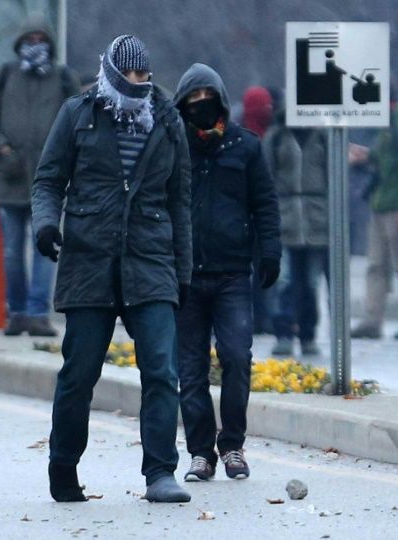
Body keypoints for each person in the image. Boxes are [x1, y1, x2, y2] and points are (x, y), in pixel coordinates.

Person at [32, 35, 192, 503]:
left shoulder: (166, 119)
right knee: (79, 373)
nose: (141, 84)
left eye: (146, 75)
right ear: (114, 73)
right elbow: (48, 179)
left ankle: (161, 472)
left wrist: (181, 272)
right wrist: (45, 224)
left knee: (162, 372)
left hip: (151, 260)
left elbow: (179, 200)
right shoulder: (77, 113)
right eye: (133, 76)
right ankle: (63, 466)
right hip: (88, 259)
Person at [173, 65, 281, 482]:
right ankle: (201, 452)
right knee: (190, 369)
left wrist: (270, 250)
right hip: (186, 274)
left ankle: (232, 444)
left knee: (237, 358)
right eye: (192, 101)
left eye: (207, 99)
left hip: (234, 273)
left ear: (220, 100)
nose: (201, 107)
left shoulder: (245, 146)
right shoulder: (174, 146)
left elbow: (265, 204)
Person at [0, 17, 80, 336]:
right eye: (30, 38)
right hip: (9, 178)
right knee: (11, 252)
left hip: (48, 183)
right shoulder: (4, 75)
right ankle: (17, 311)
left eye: (41, 38)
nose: (36, 44)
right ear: (21, 41)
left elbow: (80, 117)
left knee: (45, 249)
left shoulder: (63, 78)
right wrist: (3, 149)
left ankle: (38, 313)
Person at [351, 93, 398, 340]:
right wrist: (368, 156)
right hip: (381, 202)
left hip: (397, 206)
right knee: (376, 265)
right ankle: (373, 319)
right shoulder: (386, 122)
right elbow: (388, 159)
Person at [264, 110, 329, 357]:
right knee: (284, 282)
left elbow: (334, 180)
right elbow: (267, 178)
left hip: (317, 220)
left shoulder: (323, 137)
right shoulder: (277, 137)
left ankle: (308, 335)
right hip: (285, 218)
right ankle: (283, 334)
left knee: (311, 283)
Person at [242, 86, 278, 335]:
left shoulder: (275, 136)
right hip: (243, 215)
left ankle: (264, 317)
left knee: (263, 270)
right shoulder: (241, 138)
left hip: (259, 214)